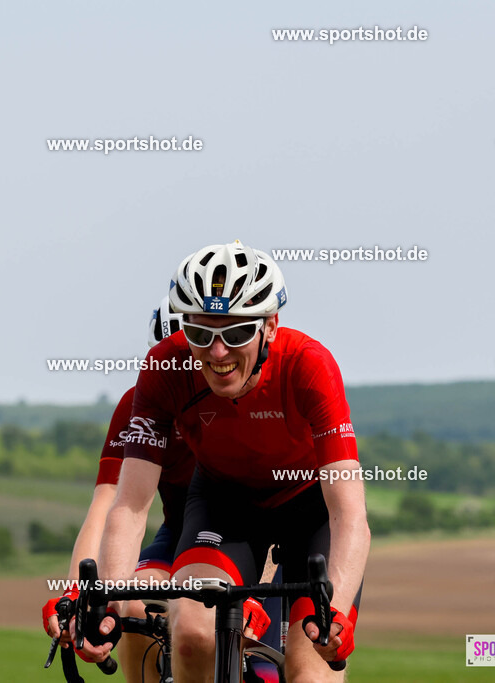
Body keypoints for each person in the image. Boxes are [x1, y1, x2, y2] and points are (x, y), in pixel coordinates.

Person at [83, 241, 370, 683]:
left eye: (236, 334)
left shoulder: (309, 365)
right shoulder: (165, 368)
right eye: (200, 333)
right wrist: (108, 607)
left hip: (310, 509)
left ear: (270, 327)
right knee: (194, 633)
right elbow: (130, 505)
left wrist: (338, 614)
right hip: (225, 501)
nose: (217, 353)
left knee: (310, 671)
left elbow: (349, 513)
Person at [42, 297, 271, 681]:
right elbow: (109, 506)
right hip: (180, 532)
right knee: (130, 604)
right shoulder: (139, 404)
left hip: (257, 538)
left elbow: (271, 513)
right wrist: (79, 594)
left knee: (269, 660)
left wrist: (258, 590)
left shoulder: (246, 400)